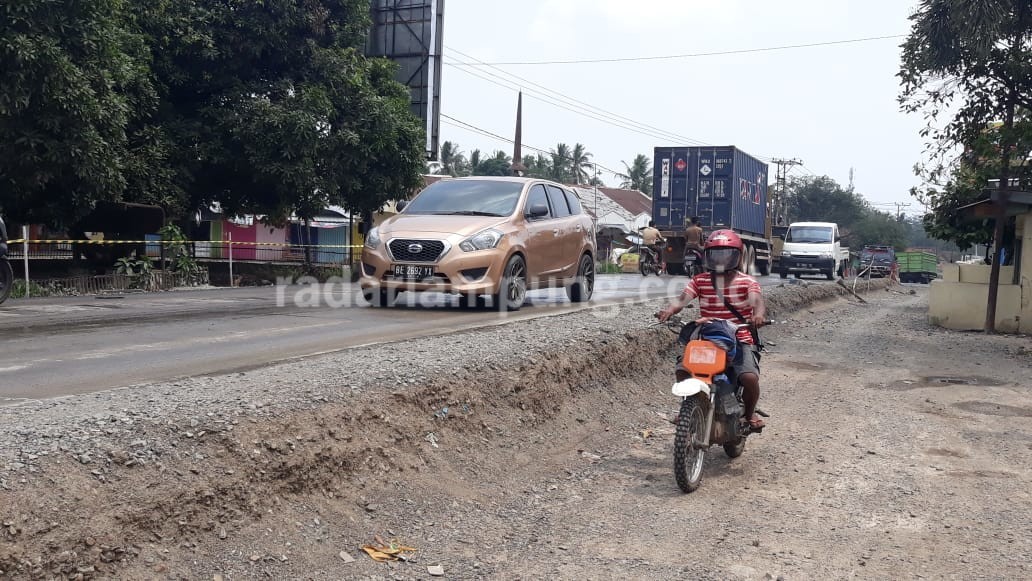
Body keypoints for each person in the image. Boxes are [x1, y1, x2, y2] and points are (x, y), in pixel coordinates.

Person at [656, 229, 768, 428]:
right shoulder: (700, 280)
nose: (721, 259)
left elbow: (757, 302)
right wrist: (669, 311)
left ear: (737, 255)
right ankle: (687, 409)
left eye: (726, 254)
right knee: (683, 371)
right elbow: (682, 300)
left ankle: (749, 415)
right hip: (707, 338)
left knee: (749, 378)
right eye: (716, 254)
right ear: (708, 256)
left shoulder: (747, 281)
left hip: (739, 338)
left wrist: (758, 315)